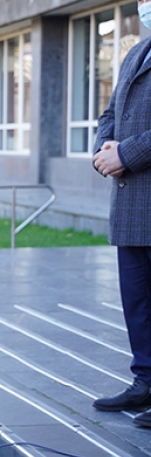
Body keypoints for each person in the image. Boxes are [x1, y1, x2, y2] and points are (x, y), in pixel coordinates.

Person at [91, 7, 151, 430]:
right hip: (132, 207)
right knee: (139, 304)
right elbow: (111, 110)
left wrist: (125, 155)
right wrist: (103, 151)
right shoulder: (136, 52)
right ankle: (145, 381)